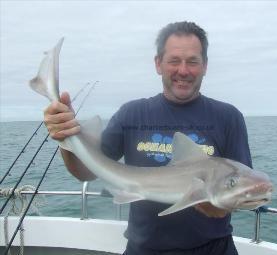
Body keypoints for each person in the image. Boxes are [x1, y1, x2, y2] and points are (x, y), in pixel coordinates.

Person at [43, 21, 252, 255]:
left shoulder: (228, 117)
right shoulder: (132, 114)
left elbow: (241, 186)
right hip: (144, 249)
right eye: (174, 60)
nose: (183, 70)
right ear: (158, 64)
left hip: (214, 249)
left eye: (192, 61)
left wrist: (219, 205)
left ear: (204, 66)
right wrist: (66, 138)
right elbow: (86, 172)